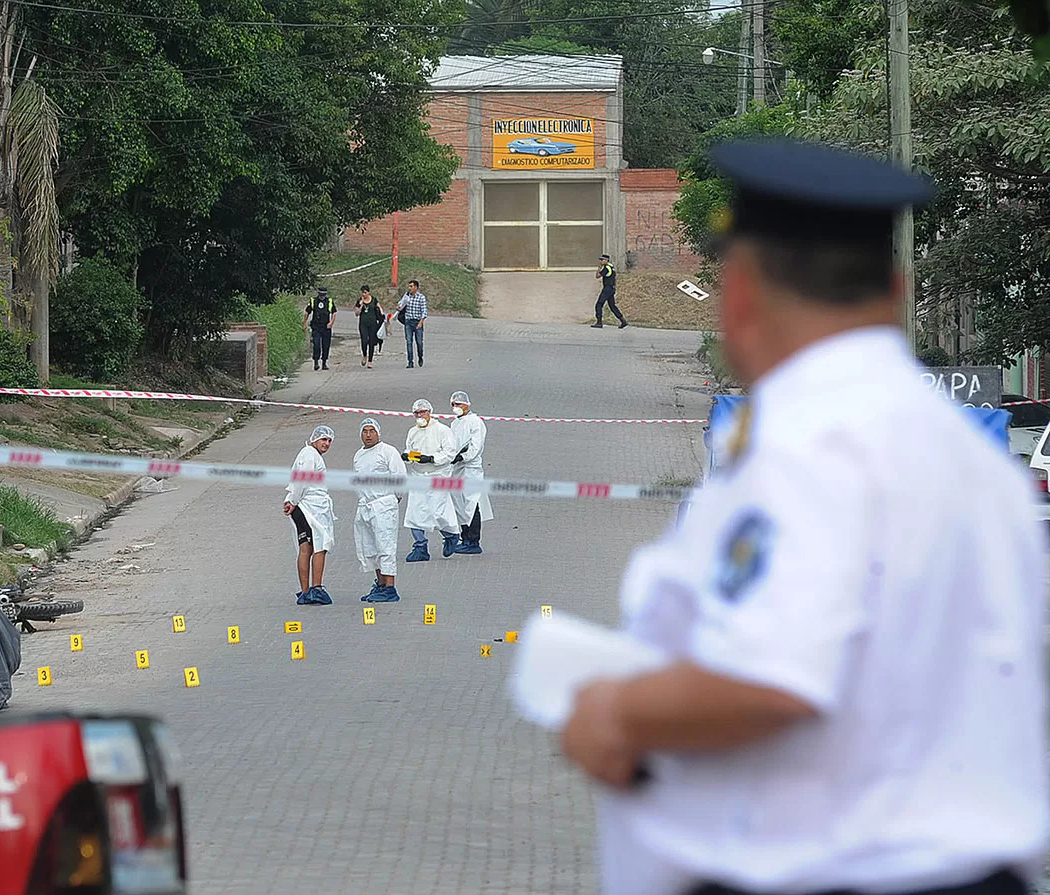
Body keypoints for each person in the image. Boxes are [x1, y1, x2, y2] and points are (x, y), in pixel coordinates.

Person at [556, 140, 1046, 895]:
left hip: (833, 872)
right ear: (895, 287)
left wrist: (614, 712)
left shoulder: (807, 446)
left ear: (741, 292)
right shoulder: (975, 457)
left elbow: (770, 679)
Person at [352, 418, 406, 602]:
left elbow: (400, 477)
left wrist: (394, 498)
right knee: (371, 547)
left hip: (383, 504)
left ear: (378, 433)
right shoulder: (358, 455)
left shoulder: (388, 451)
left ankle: (390, 587)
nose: (368, 435)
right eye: (365, 431)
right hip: (365, 505)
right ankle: (380, 583)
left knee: (385, 545)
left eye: (371, 431)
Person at [401, 399, 459, 561]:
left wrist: (432, 459)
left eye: (423, 412)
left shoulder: (442, 430)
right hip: (418, 476)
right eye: (417, 413)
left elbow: (450, 453)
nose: (420, 415)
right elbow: (410, 449)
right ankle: (420, 547)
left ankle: (451, 535)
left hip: (438, 475)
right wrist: (407, 456)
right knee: (415, 511)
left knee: (436, 511)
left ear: (429, 412)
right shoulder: (413, 432)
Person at [284, 425, 336, 605]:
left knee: (306, 548)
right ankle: (316, 588)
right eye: (323, 439)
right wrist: (293, 501)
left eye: (329, 441)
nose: (327, 443)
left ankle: (306, 591)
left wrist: (292, 500)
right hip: (310, 508)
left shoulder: (310, 455)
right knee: (320, 546)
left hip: (306, 507)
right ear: (314, 439)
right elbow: (301, 480)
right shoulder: (309, 454)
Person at [447, 391, 493, 555]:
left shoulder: (475, 422)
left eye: (459, 404)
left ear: (467, 404)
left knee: (471, 502)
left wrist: (463, 456)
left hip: (471, 468)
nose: (456, 407)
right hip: (457, 469)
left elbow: (476, 446)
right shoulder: (455, 424)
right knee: (459, 504)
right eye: (454, 404)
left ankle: (474, 541)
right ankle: (465, 537)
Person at [397, 280, 428, 368]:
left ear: (416, 287)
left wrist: (421, 322)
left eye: (411, 286)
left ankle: (420, 357)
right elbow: (401, 304)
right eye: (409, 286)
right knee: (409, 342)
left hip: (418, 321)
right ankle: (410, 362)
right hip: (408, 321)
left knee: (419, 342)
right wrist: (399, 307)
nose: (409, 288)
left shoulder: (421, 297)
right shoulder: (407, 296)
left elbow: (424, 311)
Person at [304, 287, 337, 371]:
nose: (322, 296)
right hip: (316, 327)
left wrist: (331, 323)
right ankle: (315, 362)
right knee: (316, 344)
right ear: (318, 294)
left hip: (326, 327)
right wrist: (304, 323)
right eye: (321, 295)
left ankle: (324, 363)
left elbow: (334, 312)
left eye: (324, 295)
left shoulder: (329, 301)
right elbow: (307, 312)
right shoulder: (313, 301)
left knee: (326, 345)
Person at [591, 254, 628, 329]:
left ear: (606, 260)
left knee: (599, 304)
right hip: (612, 288)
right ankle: (623, 321)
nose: (600, 261)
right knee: (612, 306)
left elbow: (598, 276)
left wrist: (599, 269)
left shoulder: (606, 268)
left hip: (607, 288)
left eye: (602, 260)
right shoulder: (611, 267)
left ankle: (599, 322)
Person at [355, 285, 386, 369]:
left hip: (373, 324)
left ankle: (370, 361)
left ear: (368, 292)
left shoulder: (374, 300)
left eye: (365, 292)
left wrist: (382, 315)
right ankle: (364, 355)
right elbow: (356, 313)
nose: (364, 294)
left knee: (372, 341)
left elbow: (380, 308)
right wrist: (361, 305)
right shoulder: (359, 301)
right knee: (364, 340)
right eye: (362, 292)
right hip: (363, 324)